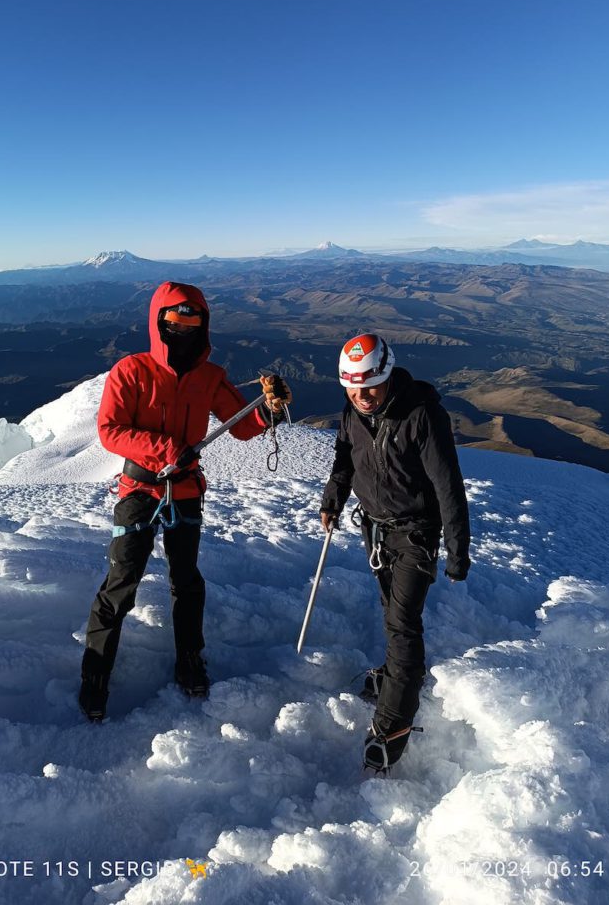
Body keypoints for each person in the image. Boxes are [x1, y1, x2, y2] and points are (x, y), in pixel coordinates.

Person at [79, 281, 291, 721]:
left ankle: (190, 660)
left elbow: (242, 425)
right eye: (174, 321)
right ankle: (95, 673)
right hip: (140, 487)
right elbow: (110, 430)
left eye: (192, 322)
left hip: (186, 489)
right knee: (121, 582)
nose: (183, 330)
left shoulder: (209, 376)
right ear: (159, 322)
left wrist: (269, 409)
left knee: (187, 580)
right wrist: (165, 449)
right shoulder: (131, 371)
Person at [319, 333, 470, 774]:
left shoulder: (422, 415)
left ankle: (393, 726)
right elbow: (344, 458)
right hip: (376, 531)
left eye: (370, 386)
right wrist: (333, 500)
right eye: (352, 387)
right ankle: (395, 677)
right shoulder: (354, 413)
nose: (362, 396)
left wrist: (457, 551)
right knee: (392, 612)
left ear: (387, 376)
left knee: (403, 625)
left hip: (417, 534)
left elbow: (448, 486)